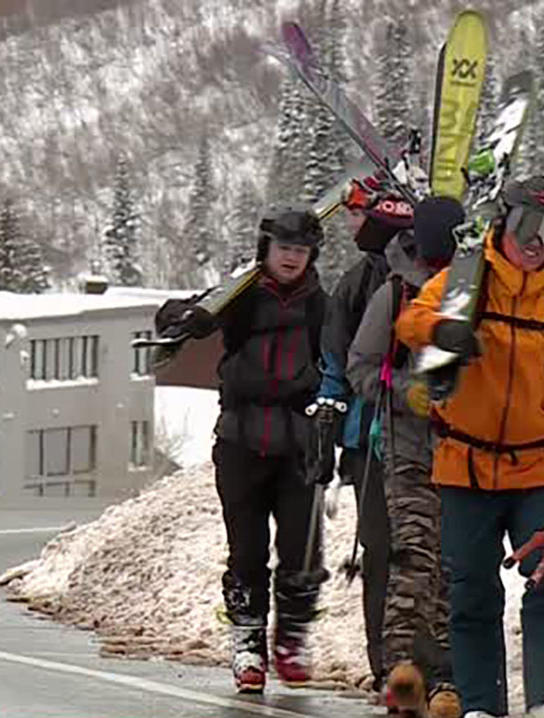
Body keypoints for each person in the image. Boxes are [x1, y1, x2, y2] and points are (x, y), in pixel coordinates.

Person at [395, 177, 544, 718]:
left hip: (538, 468)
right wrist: (444, 331)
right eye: (529, 226)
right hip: (463, 468)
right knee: (471, 596)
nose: (538, 241)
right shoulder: (465, 281)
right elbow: (410, 322)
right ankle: (480, 707)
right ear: (503, 221)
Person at [154, 202, 329, 694]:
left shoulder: (321, 305)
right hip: (240, 440)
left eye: (301, 250)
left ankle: (292, 637)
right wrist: (183, 318)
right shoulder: (240, 295)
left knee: (301, 549)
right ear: (266, 249)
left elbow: (341, 355)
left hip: (298, 443)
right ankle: (248, 642)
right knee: (246, 550)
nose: (292, 258)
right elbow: (178, 314)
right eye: (284, 248)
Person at [347, 195, 466, 718]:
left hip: (466, 450)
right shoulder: (395, 293)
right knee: (413, 557)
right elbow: (361, 366)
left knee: (452, 564)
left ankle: (445, 675)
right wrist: (403, 393)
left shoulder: (471, 291)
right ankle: (401, 669)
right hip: (408, 448)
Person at [315, 180, 414, 693]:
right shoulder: (355, 286)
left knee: (413, 549)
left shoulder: (426, 282)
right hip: (369, 437)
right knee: (380, 548)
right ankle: (385, 660)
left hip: (411, 433)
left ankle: (414, 654)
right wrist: (331, 423)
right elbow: (336, 360)